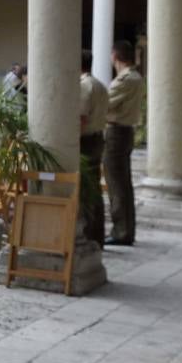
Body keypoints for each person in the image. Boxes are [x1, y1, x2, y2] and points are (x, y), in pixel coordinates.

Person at [104, 41, 143, 246]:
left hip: (117, 132)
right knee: (124, 184)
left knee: (116, 184)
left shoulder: (126, 79)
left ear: (115, 56)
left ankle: (121, 231)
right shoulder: (135, 77)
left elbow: (106, 102)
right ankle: (126, 230)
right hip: (125, 131)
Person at [77, 50, 109, 247]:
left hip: (86, 140)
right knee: (94, 188)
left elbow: (81, 118)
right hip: (98, 137)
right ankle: (97, 234)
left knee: (86, 188)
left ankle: (87, 232)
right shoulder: (100, 85)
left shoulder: (84, 86)